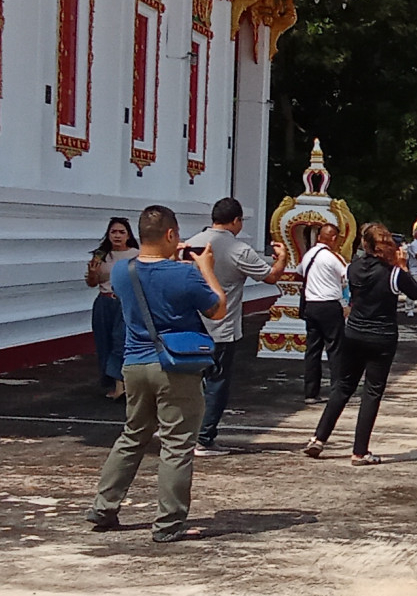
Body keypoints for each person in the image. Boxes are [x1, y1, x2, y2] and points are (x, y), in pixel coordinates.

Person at [87, 205, 228, 543]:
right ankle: (168, 523)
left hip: (134, 364)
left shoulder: (122, 271)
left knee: (133, 435)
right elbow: (217, 308)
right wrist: (205, 268)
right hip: (174, 367)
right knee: (177, 444)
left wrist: (173, 262)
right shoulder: (186, 274)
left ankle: (104, 508)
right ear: (170, 235)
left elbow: (152, 280)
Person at [305, 223, 417, 464]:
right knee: (371, 391)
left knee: (343, 387)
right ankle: (360, 451)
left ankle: (318, 438)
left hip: (355, 332)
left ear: (364, 245)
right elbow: (415, 293)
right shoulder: (393, 273)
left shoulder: (353, 268)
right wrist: (401, 266)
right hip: (381, 336)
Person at [185, 197, 289, 458]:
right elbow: (271, 277)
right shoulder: (238, 249)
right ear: (236, 221)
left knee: (187, 380)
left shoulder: (191, 243)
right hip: (221, 324)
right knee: (216, 382)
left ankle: (181, 430)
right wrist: (282, 258)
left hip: (189, 322)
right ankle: (205, 438)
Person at [84, 216, 137, 398]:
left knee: (120, 341)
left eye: (121, 232)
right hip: (104, 301)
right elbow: (92, 282)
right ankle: (113, 382)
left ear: (128, 235)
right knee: (104, 341)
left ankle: (121, 384)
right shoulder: (101, 256)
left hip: (125, 302)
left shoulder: (136, 255)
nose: (117, 236)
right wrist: (92, 273)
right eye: (113, 232)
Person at [298, 222, 347, 402]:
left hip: (311, 305)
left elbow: (299, 272)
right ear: (333, 239)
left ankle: (311, 392)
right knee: (335, 349)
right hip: (329, 305)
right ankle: (337, 390)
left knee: (313, 349)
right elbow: (346, 275)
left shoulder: (308, 255)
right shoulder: (332, 258)